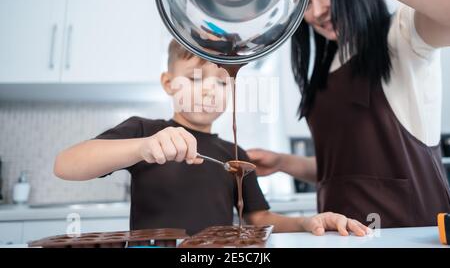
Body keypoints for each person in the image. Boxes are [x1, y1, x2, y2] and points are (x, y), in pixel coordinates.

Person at [54, 39, 370, 236]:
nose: (208, 89)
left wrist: (305, 223)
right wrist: (142, 147)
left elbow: (257, 217)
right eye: (194, 78)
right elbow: (65, 165)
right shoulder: (145, 131)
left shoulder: (234, 153)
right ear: (168, 83)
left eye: (221, 83)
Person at [248, 0, 450, 228]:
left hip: (408, 232)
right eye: (305, 3)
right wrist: (282, 162)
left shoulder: (400, 38)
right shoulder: (325, 68)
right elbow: (345, 170)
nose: (316, 12)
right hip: (339, 235)